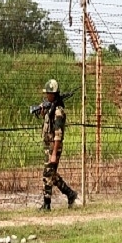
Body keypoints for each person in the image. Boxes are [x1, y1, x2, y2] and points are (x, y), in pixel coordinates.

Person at [38, 79, 78, 210]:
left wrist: (54, 153)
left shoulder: (58, 111)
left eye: (48, 93)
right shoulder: (51, 109)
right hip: (48, 145)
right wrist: (43, 112)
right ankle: (70, 194)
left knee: (47, 174)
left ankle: (46, 204)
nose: (46, 96)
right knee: (52, 175)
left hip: (54, 146)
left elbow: (58, 134)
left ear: (53, 94)